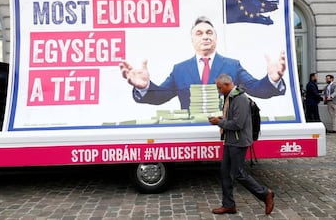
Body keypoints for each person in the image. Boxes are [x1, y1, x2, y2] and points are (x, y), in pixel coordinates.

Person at [119, 16, 286, 110]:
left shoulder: (233, 66)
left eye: (209, 32)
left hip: (226, 133)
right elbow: (161, 96)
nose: (205, 36)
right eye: (199, 33)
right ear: (192, 40)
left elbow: (257, 89)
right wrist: (144, 87)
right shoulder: (180, 70)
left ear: (215, 38)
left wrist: (273, 80)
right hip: (191, 135)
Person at [208, 74, 274, 215]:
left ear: (227, 85)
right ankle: (229, 205)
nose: (219, 91)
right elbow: (233, 119)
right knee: (225, 173)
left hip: (238, 142)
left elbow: (238, 124)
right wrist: (222, 118)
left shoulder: (240, 99)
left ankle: (265, 194)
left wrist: (218, 122)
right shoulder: (232, 97)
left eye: (220, 88)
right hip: (230, 140)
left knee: (238, 174)